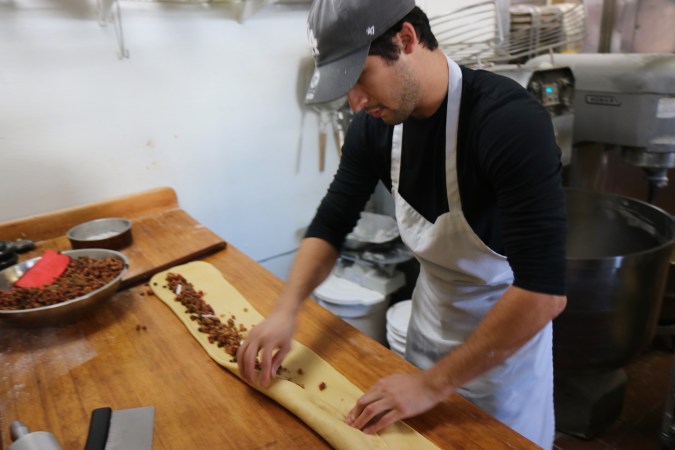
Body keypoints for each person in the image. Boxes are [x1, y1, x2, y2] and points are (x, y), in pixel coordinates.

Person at [238, 0, 567, 448]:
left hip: (502, 365)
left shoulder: (508, 123)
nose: (356, 101)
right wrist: (286, 309)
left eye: (360, 77)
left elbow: (543, 294)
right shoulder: (376, 128)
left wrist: (433, 385)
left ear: (406, 39)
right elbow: (332, 222)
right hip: (424, 342)